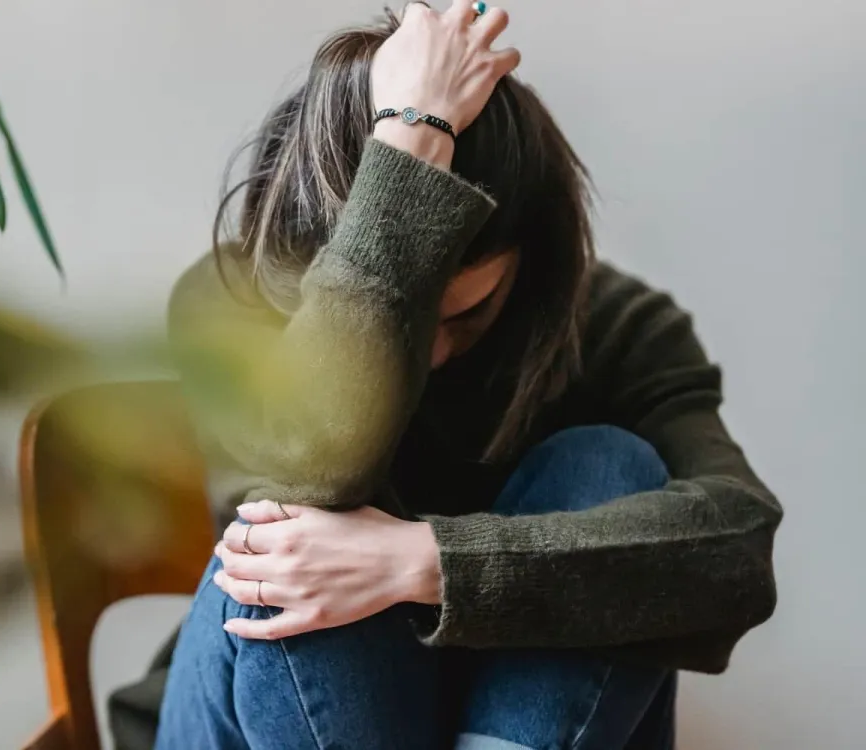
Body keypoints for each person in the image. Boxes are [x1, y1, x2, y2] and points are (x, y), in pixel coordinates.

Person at [109, 3, 782, 749]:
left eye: (466, 314)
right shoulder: (231, 301)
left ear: (531, 261)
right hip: (255, 717)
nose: (431, 352)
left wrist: (423, 563)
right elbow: (308, 478)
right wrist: (413, 136)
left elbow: (735, 548)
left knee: (608, 463)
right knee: (297, 538)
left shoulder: (612, 324)